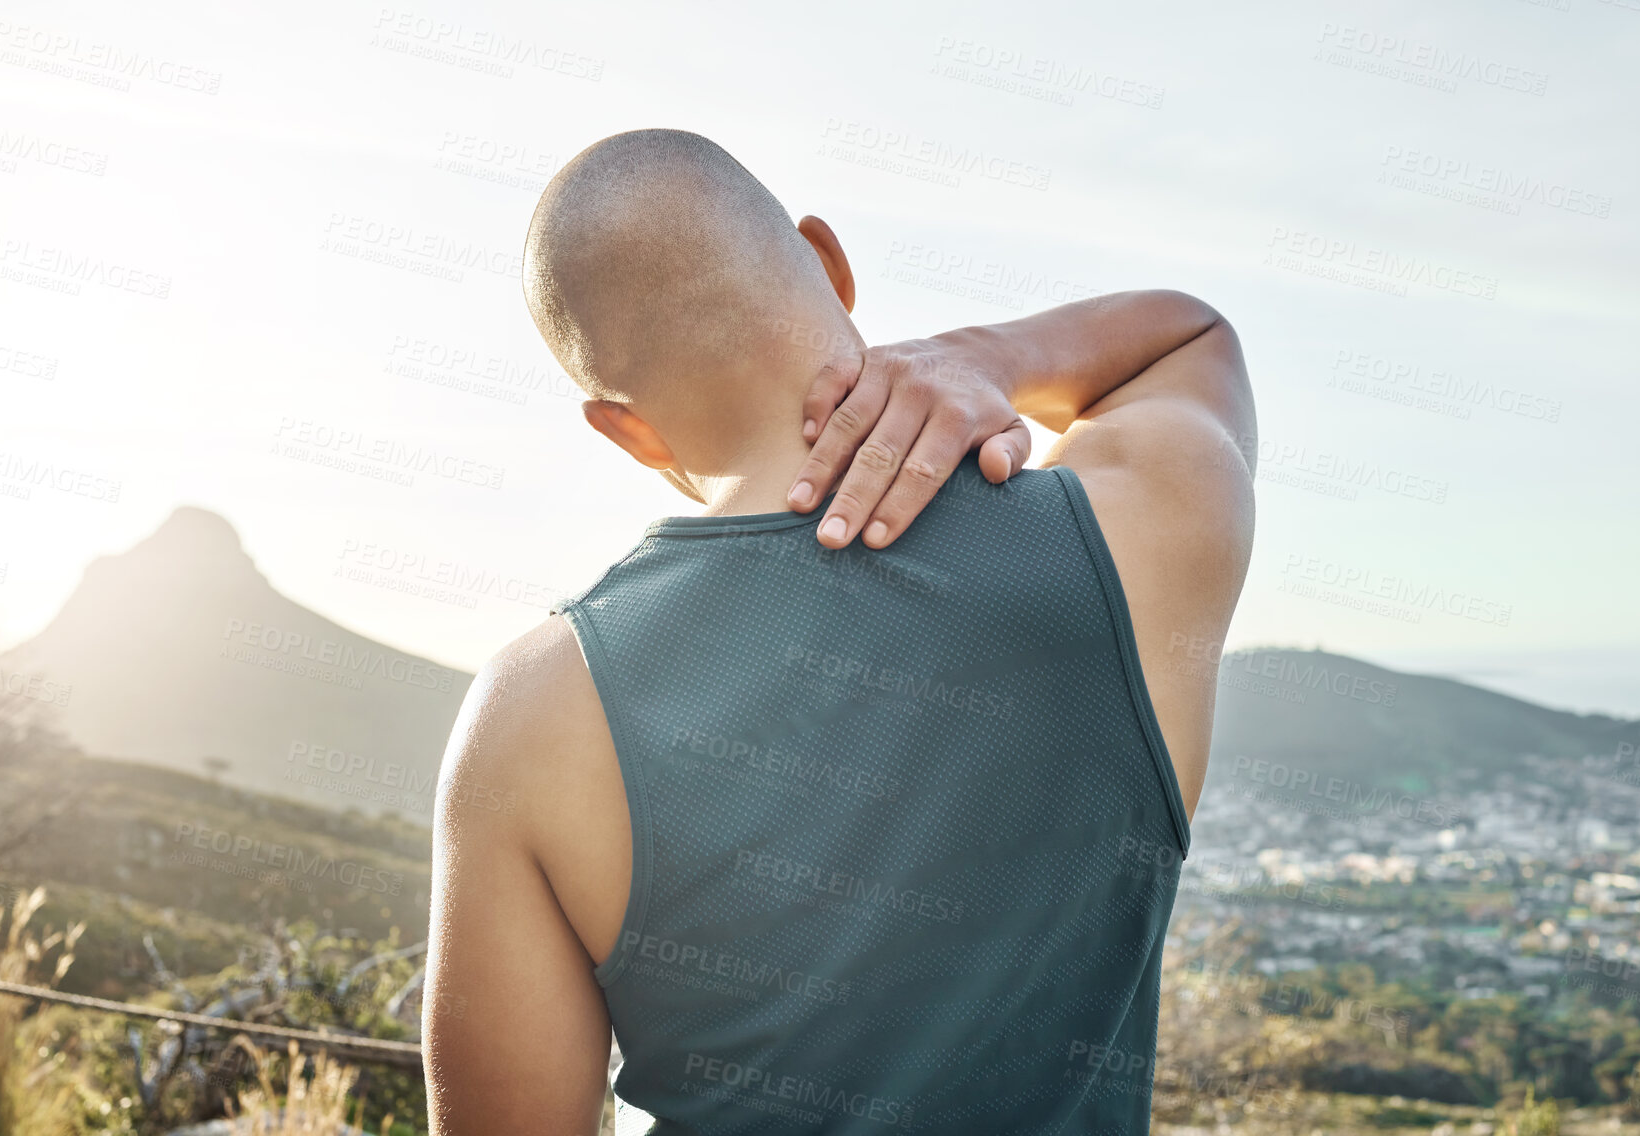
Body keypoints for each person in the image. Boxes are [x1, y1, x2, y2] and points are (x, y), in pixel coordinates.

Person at [423, 128, 1255, 1135]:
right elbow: (1192, 337)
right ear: (831, 263)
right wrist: (991, 355)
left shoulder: (530, 710)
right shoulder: (1136, 532)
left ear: (622, 427)